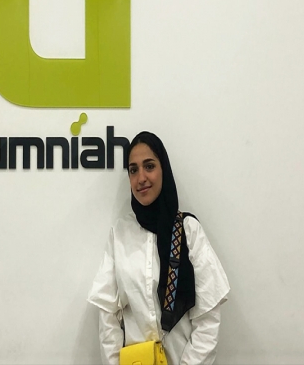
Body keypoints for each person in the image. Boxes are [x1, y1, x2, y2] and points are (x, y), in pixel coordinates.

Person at [87, 132, 230, 365]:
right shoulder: (120, 234)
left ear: (164, 169)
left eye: (149, 166)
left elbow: (208, 319)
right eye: (133, 170)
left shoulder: (188, 230)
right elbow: (108, 315)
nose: (141, 177)